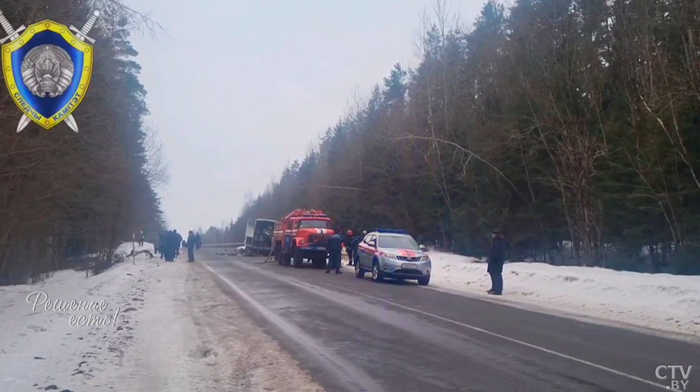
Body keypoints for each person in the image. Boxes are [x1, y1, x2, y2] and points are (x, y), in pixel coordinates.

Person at [487, 230, 506, 295]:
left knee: (496, 275)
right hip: (494, 261)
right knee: (493, 274)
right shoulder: (496, 241)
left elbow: (496, 252)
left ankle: (498, 289)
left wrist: (493, 259)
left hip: (496, 262)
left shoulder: (498, 242)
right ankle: (494, 288)